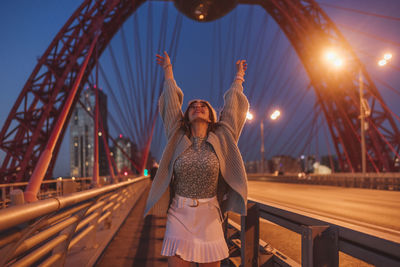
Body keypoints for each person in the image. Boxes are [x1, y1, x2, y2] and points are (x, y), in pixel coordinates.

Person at [144, 51, 249, 267]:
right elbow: (171, 104)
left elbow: (232, 108)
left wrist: (239, 78)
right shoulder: (178, 136)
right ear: (187, 116)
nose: (197, 106)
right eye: (193, 106)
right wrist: (168, 71)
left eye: (203, 105)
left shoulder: (222, 136)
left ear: (211, 115)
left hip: (209, 215)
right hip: (178, 213)